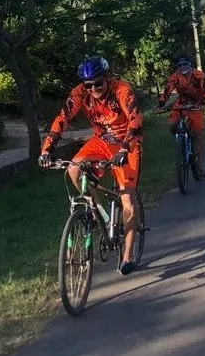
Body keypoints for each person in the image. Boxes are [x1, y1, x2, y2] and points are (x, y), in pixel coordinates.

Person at [38, 56, 143, 276]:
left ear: (107, 77)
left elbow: (135, 119)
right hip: (102, 141)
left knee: (127, 201)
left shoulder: (121, 89)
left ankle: (127, 257)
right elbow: (63, 118)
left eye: (98, 83)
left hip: (127, 143)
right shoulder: (79, 93)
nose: (93, 88)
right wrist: (47, 149)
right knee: (74, 169)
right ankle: (96, 213)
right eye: (88, 84)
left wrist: (124, 149)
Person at [156, 55, 205, 177]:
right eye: (180, 65)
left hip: (196, 105)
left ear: (190, 65)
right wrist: (160, 105)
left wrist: (202, 104)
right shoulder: (175, 77)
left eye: (185, 64)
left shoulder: (199, 76)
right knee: (171, 124)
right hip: (181, 104)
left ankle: (201, 166)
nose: (183, 67)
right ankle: (180, 143)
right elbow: (167, 91)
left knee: (199, 135)